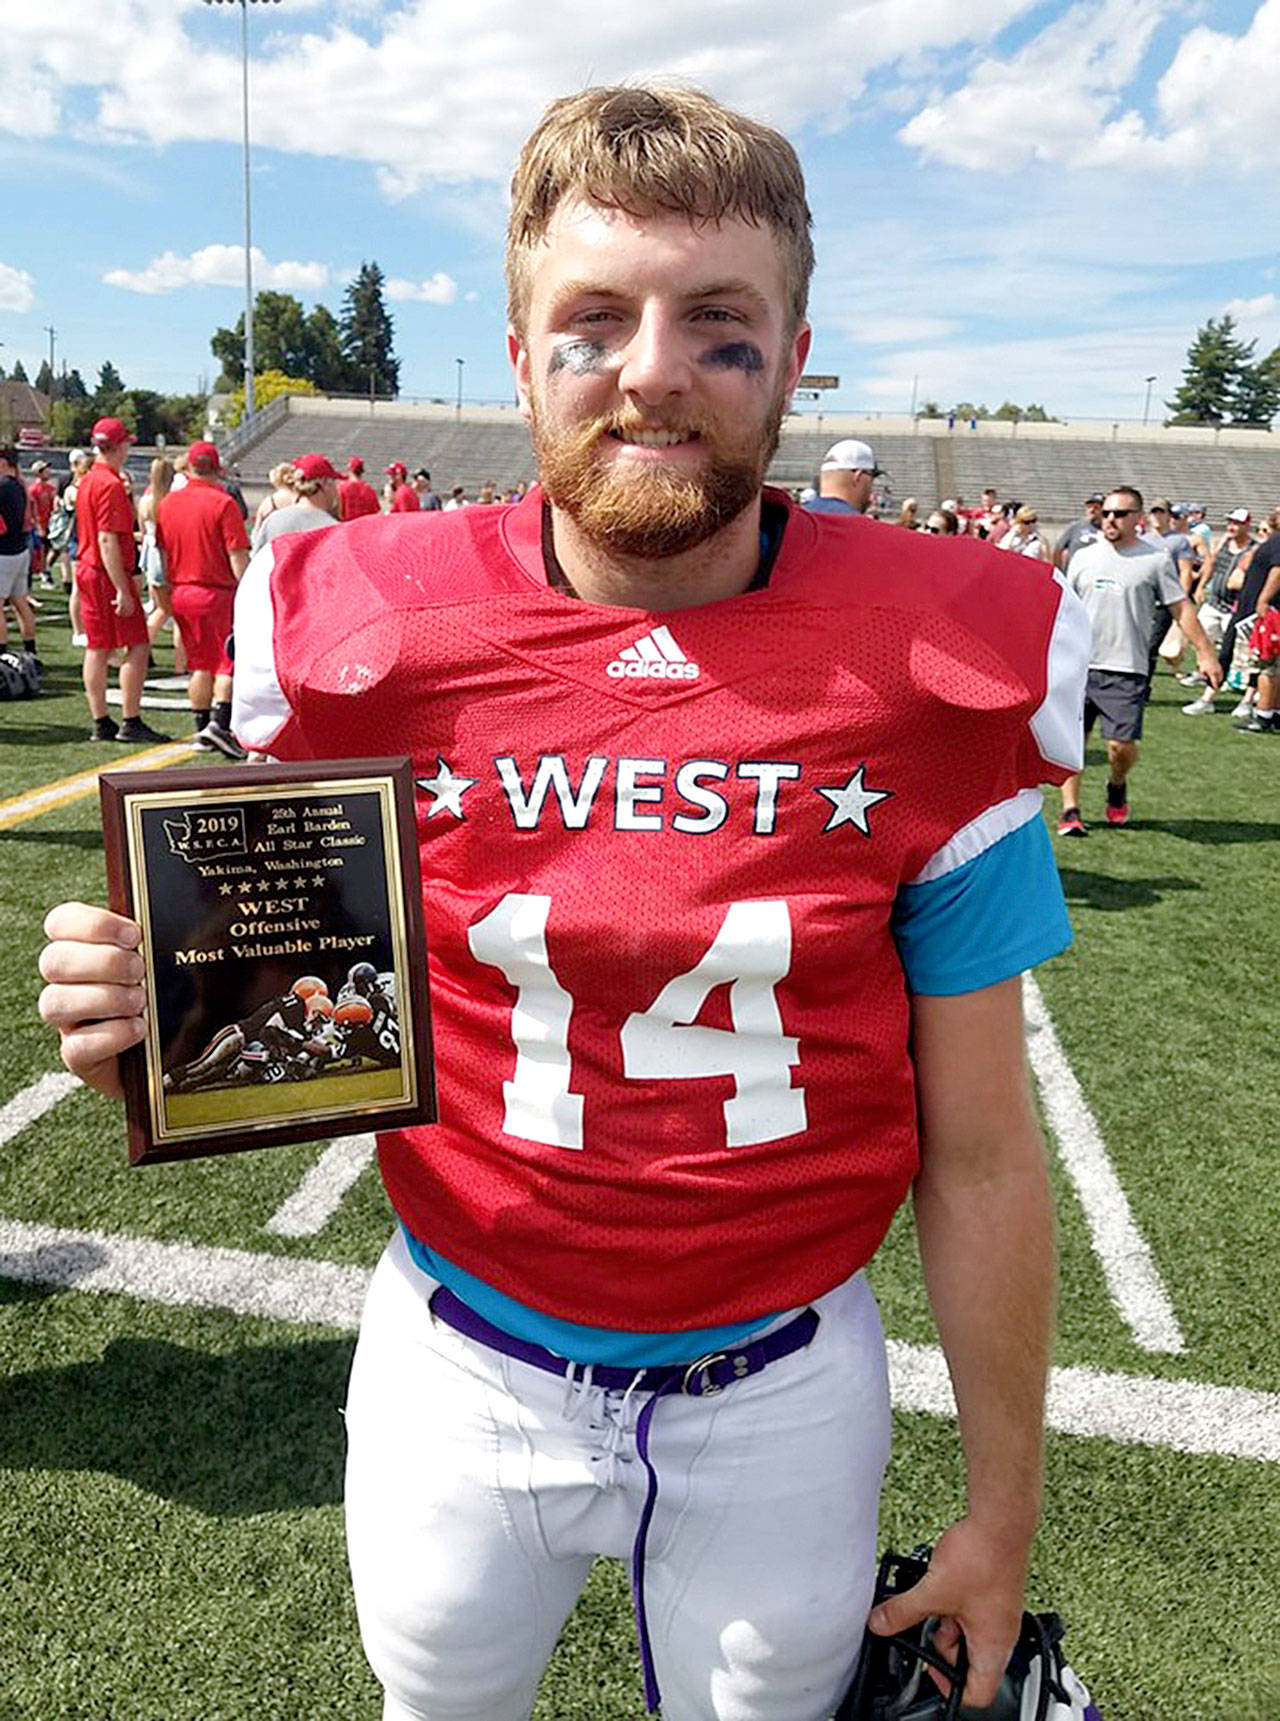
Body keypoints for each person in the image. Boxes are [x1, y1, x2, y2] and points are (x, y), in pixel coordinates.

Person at [39, 83, 1090, 1721]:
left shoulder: (926, 663)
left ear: (797, 358)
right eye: (595, 318)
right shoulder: (365, 623)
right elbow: (263, 1018)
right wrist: (154, 1038)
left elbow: (982, 1147)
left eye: (717, 323)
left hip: (786, 1377)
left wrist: (1004, 1520)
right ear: (523, 352)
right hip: (461, 1357)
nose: (656, 367)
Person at [1057, 485, 1220, 836]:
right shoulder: (1083, 556)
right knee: (1071, 745)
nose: (1110, 519)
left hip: (1126, 667)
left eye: (1119, 514)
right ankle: (1070, 810)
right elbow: (1063, 608)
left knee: (1121, 746)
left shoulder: (1155, 559)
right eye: (1106, 513)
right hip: (1078, 666)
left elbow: (1181, 607)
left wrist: (1206, 654)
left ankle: (1117, 784)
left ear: (1137, 519)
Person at [154, 440, 251, 757]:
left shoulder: (168, 504)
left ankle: (200, 730)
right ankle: (220, 725)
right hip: (217, 591)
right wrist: (250, 590)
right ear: (217, 468)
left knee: (199, 664)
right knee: (227, 662)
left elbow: (163, 552)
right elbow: (237, 556)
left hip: (182, 589)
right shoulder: (223, 504)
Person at [73, 418, 166, 744]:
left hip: (89, 569)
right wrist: (122, 587)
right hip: (104, 572)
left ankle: (101, 720)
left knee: (97, 648)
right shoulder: (110, 484)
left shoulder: (88, 480)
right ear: (120, 445)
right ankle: (130, 718)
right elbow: (107, 539)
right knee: (137, 644)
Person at [1181, 508, 1255, 716]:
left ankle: (1236, 695)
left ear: (1247, 525)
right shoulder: (1223, 543)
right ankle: (1203, 673)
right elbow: (1211, 564)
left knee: (1237, 654)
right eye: (1230, 522)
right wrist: (1202, 586)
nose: (1232, 527)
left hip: (1235, 609)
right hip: (1215, 603)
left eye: (1237, 523)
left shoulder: (1252, 549)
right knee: (1201, 640)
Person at [251, 454, 342, 549]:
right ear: (324, 483)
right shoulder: (332, 528)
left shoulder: (273, 521)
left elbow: (257, 560)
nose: (336, 489)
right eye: (334, 482)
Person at [0, 444, 39, 662]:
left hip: (3, 552)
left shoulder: (3, 486)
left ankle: (2, 655)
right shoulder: (18, 485)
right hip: (19, 550)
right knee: (20, 603)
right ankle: (30, 651)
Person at [804, 437, 882, 515]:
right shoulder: (865, 525)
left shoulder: (797, 517)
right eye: (872, 478)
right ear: (858, 477)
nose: (872, 487)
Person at [1053, 492, 1103, 571]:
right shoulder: (1075, 527)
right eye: (1089, 507)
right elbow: (1058, 548)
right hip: (1074, 572)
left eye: (1096, 507)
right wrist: (1058, 570)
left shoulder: (1108, 530)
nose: (1092, 510)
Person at [339, 457, 382, 521]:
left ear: (349, 469)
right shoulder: (370, 490)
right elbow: (376, 512)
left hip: (347, 527)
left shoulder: (341, 488)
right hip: (364, 527)